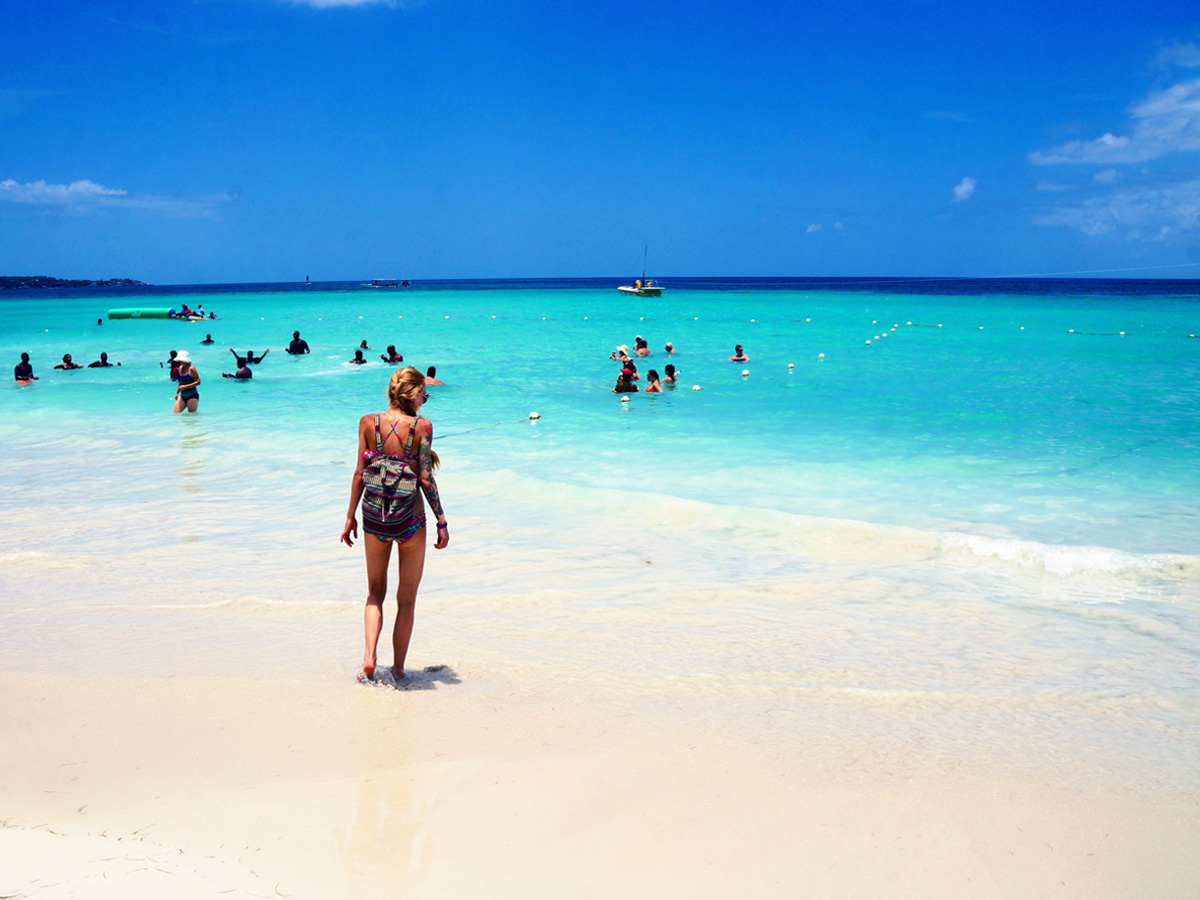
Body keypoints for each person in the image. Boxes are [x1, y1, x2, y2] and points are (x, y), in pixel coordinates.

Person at [341, 367, 449, 684]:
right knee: (406, 598)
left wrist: (349, 517)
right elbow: (426, 477)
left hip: (374, 517)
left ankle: (369, 658)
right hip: (410, 520)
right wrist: (441, 520)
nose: (424, 401)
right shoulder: (422, 427)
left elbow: (360, 473)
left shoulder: (367, 423)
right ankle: (399, 669)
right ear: (413, 393)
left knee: (375, 593)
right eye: (423, 395)